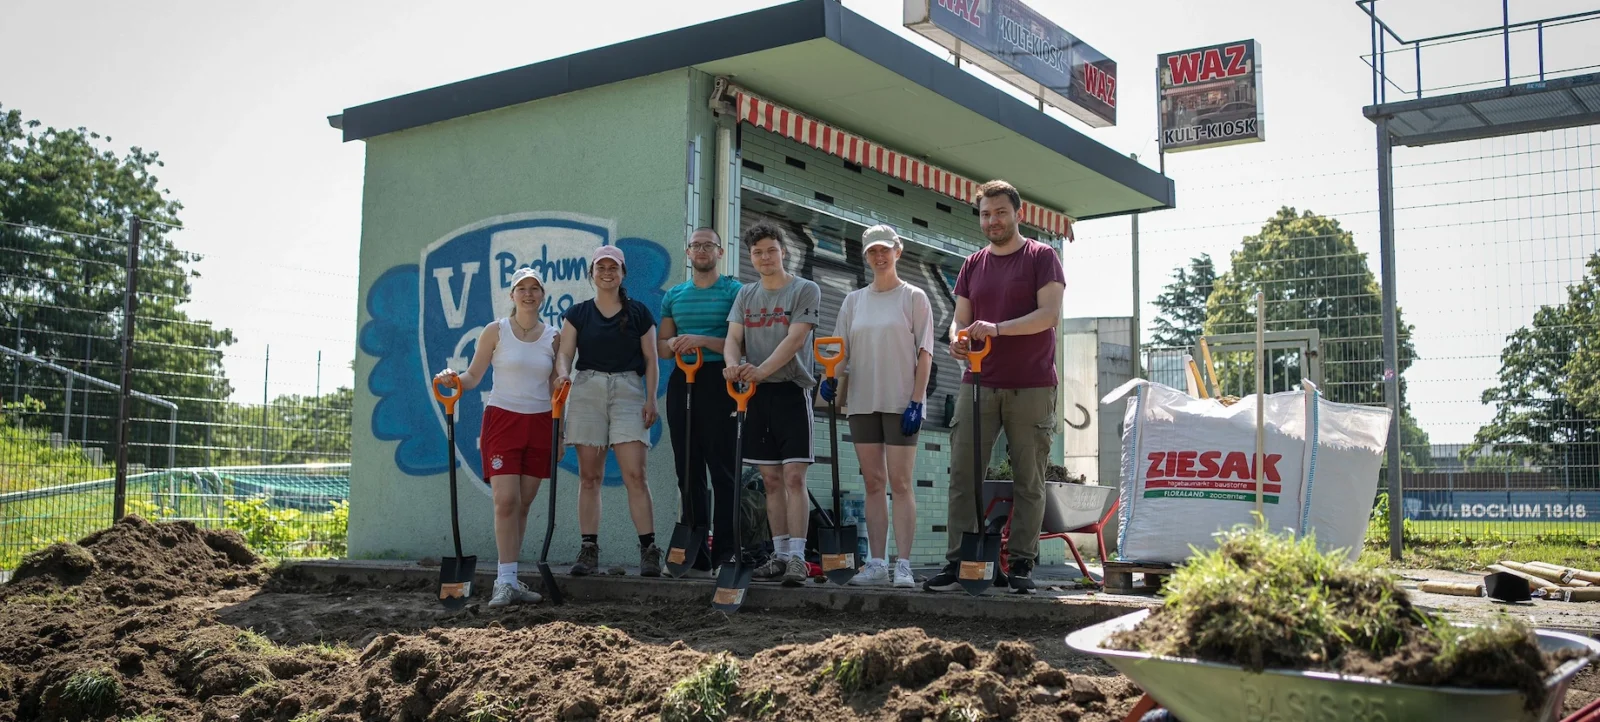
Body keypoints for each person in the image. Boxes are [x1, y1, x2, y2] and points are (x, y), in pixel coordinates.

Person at [924, 179, 1065, 594]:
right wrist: (955, 337)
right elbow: (959, 317)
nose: (992, 220)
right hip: (977, 382)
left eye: (1000, 212)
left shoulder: (1042, 256)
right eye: (986, 213)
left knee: (1029, 479)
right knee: (964, 476)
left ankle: (1020, 564)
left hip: (1032, 385)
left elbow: (1049, 315)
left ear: (1018, 213)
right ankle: (962, 562)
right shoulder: (971, 265)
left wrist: (997, 329)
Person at [432, 267, 559, 608]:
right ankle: (503, 582)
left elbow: (555, 388)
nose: (529, 294)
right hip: (502, 420)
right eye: (522, 288)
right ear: (512, 295)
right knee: (505, 501)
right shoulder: (496, 331)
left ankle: (512, 578)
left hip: (540, 423)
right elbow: (473, 376)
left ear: (543, 295)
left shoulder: (553, 336)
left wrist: (562, 434)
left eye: (535, 288)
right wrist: (452, 379)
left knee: (524, 504)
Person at [822, 224, 934, 589]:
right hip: (863, 404)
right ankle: (875, 562)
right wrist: (830, 378)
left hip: (902, 404)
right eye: (872, 251)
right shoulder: (854, 301)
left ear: (897, 251)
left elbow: (925, 352)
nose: (879, 256)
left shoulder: (914, 297)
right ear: (865, 255)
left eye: (885, 249)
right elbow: (840, 351)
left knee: (900, 483)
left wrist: (916, 401)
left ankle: (903, 564)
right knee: (873, 482)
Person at [723, 220, 823, 587]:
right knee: (770, 479)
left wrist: (760, 371)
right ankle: (780, 556)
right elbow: (733, 338)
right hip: (754, 393)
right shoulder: (745, 295)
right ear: (751, 257)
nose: (765, 257)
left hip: (790, 390)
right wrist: (732, 366)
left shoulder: (804, 289)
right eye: (757, 252)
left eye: (771, 250)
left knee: (794, 476)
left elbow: (796, 340)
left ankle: (798, 556)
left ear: (784, 251)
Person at [555, 245, 663, 577]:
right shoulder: (578, 313)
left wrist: (651, 398)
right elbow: (565, 353)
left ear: (622, 273)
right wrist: (562, 373)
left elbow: (651, 360)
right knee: (590, 477)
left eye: (612, 267)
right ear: (592, 273)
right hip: (587, 389)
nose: (606, 272)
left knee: (636, 475)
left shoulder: (640, 312)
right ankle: (588, 549)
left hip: (629, 390)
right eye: (600, 267)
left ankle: (648, 551)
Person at [657, 228, 742, 577]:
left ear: (720, 252)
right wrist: (676, 343)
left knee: (723, 471)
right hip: (683, 382)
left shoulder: (735, 292)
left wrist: (702, 340)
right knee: (688, 469)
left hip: (720, 382)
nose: (702, 250)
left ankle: (725, 552)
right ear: (687, 253)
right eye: (696, 245)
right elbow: (662, 345)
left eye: (709, 245)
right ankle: (697, 553)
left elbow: (742, 341)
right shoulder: (674, 296)